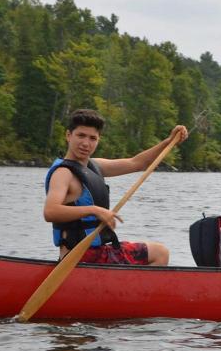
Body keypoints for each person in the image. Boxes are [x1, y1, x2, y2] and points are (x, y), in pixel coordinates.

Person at [43, 108, 188, 266]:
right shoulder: (63, 173)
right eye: (81, 135)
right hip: (79, 257)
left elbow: (137, 163)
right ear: (68, 136)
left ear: (98, 140)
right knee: (160, 253)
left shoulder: (94, 165)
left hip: (97, 253)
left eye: (93, 138)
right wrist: (95, 210)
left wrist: (168, 142)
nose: (86, 143)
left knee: (159, 252)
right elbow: (50, 212)